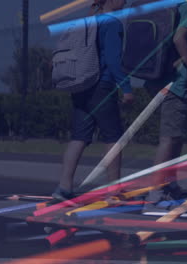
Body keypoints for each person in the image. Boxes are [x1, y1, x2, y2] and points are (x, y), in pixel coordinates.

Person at [53, 0, 134, 201]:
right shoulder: (112, 24)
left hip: (81, 85)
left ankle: (64, 187)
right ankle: (114, 190)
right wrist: (126, 88)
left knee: (79, 137)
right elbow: (115, 61)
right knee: (113, 137)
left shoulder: (87, 22)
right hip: (102, 85)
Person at [143, 0, 187, 207]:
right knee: (169, 138)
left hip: (156, 77)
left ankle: (170, 185)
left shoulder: (174, 6)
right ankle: (155, 192)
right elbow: (179, 38)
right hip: (174, 81)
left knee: (175, 137)